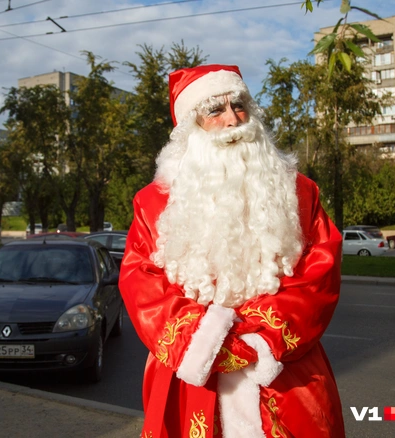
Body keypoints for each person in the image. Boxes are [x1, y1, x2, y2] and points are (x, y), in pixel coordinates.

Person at [119, 64, 345, 438]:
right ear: (193, 126)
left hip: (283, 374)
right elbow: (140, 281)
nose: (233, 119)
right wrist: (202, 341)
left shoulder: (301, 192)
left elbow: (320, 272)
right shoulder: (153, 203)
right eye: (215, 110)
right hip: (192, 378)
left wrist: (258, 340)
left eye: (239, 105)